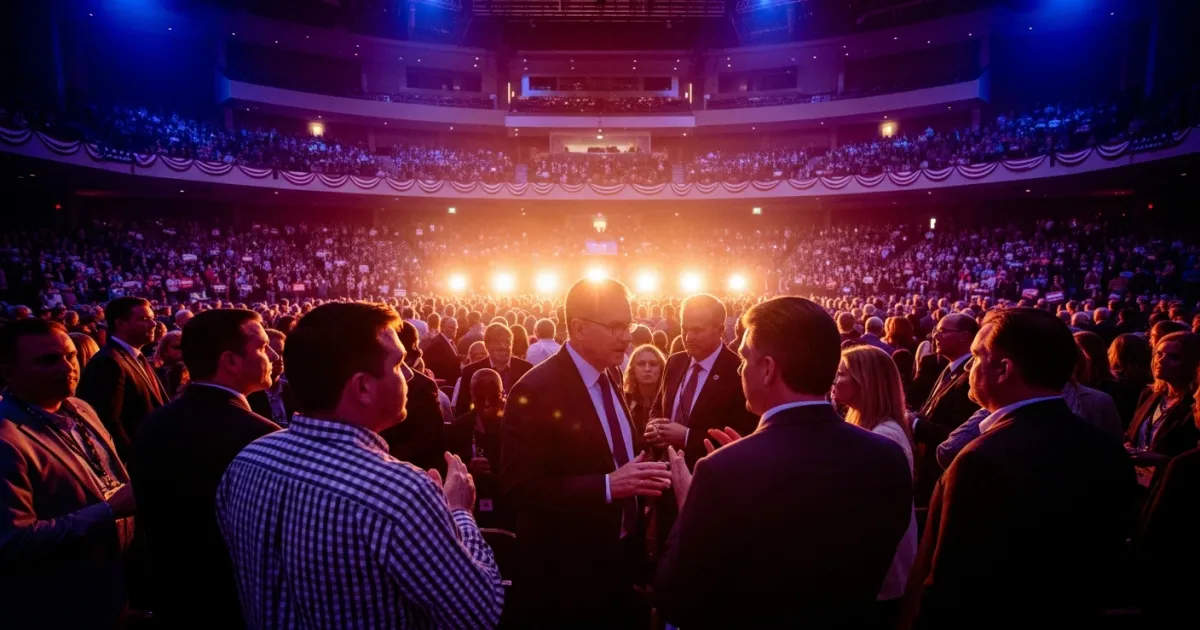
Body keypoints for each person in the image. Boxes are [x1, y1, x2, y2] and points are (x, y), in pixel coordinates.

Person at [216, 302, 505, 628]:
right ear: (363, 387)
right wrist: (459, 513)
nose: (410, 375)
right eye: (398, 366)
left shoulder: (247, 461)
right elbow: (478, 612)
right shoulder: (399, 492)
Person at [655, 297, 912, 629]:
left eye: (745, 357)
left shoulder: (722, 472)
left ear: (767, 368)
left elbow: (677, 597)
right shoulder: (887, 458)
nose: (738, 368)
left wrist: (690, 509)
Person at [902, 308, 1135, 630]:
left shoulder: (981, 460)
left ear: (1003, 369)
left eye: (976, 356)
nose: (969, 367)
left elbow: (949, 583)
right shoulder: (1107, 448)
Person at [501, 278, 671, 628]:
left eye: (629, 325)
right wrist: (607, 486)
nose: (627, 337)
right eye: (615, 327)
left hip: (620, 562)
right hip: (566, 577)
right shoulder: (535, 389)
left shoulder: (609, 373)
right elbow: (519, 488)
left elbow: (612, 452)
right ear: (577, 328)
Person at [130, 309, 281, 628]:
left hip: (173, 592)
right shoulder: (259, 436)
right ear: (230, 361)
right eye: (262, 347)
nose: (272, 355)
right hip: (234, 600)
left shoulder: (154, 423)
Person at [0, 319, 136, 628]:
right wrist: (110, 510)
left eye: (70, 356)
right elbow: (12, 541)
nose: (67, 367)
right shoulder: (6, 439)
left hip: (111, 589)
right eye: (47, 360)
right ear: (8, 371)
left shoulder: (80, 408)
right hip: (56, 607)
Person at [832, 345, 918, 627]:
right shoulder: (866, 423)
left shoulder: (886, 435)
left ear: (865, 381)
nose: (834, 379)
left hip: (882, 573)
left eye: (843, 373)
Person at [77, 296, 169, 461]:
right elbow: (109, 421)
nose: (154, 324)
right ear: (120, 324)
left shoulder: (134, 356)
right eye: (144, 319)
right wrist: (135, 461)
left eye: (153, 318)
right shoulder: (109, 362)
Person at [911, 313, 979, 506]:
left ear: (964, 336)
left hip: (942, 475)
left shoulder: (969, 377)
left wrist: (916, 424)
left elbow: (958, 431)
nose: (935, 336)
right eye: (935, 331)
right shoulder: (950, 368)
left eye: (942, 331)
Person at [1124, 331, 1200, 491]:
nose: (1161, 360)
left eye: (1173, 357)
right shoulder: (1150, 394)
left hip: (1176, 490)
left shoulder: (1195, 404)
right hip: (1139, 485)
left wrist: (1162, 460)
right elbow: (1132, 431)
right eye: (1159, 353)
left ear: (1192, 363)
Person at [446, 369, 510, 530]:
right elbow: (446, 471)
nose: (487, 404)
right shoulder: (460, 428)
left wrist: (496, 473)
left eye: (494, 397)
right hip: (471, 511)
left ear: (503, 394)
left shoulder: (514, 426)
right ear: (472, 396)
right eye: (480, 399)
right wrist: (467, 468)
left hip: (508, 507)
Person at [455, 323, 532, 416]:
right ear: (487, 346)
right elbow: (462, 409)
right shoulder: (471, 371)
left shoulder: (526, 369)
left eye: (507, 342)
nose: (503, 346)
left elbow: (532, 406)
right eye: (498, 344)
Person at [247, 329, 296, 426]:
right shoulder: (249, 392)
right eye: (273, 352)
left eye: (282, 353)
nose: (279, 358)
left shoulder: (293, 390)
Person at [623, 343, 666, 436]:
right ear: (632, 369)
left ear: (662, 368)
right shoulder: (623, 400)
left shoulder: (669, 401)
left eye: (653, 364)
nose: (647, 369)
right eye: (641, 364)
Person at [422, 315, 461, 385]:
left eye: (456, 328)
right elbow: (434, 366)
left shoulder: (449, 341)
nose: (455, 330)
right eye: (451, 327)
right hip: (442, 384)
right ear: (442, 328)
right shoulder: (437, 343)